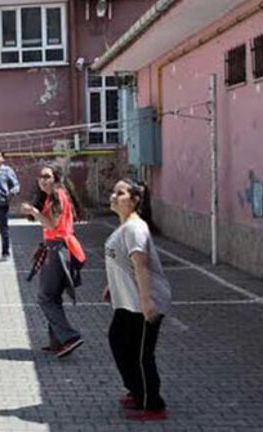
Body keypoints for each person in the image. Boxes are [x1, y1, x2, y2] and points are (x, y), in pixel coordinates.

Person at [103, 180, 172, 421]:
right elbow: (122, 260)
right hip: (128, 301)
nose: (113, 196)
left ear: (134, 200)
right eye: (114, 192)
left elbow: (141, 265)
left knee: (142, 354)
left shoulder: (134, 228)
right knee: (119, 342)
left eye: (120, 193)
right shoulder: (125, 226)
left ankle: (153, 405)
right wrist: (111, 284)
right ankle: (137, 390)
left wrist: (146, 302)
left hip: (143, 302)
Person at [21, 163, 86, 359]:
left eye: (47, 176)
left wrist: (34, 212)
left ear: (56, 178)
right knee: (53, 297)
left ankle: (69, 337)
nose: (43, 180)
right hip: (56, 246)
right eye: (41, 177)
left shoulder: (58, 195)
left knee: (45, 297)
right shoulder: (54, 195)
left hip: (59, 249)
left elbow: (52, 224)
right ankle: (57, 342)